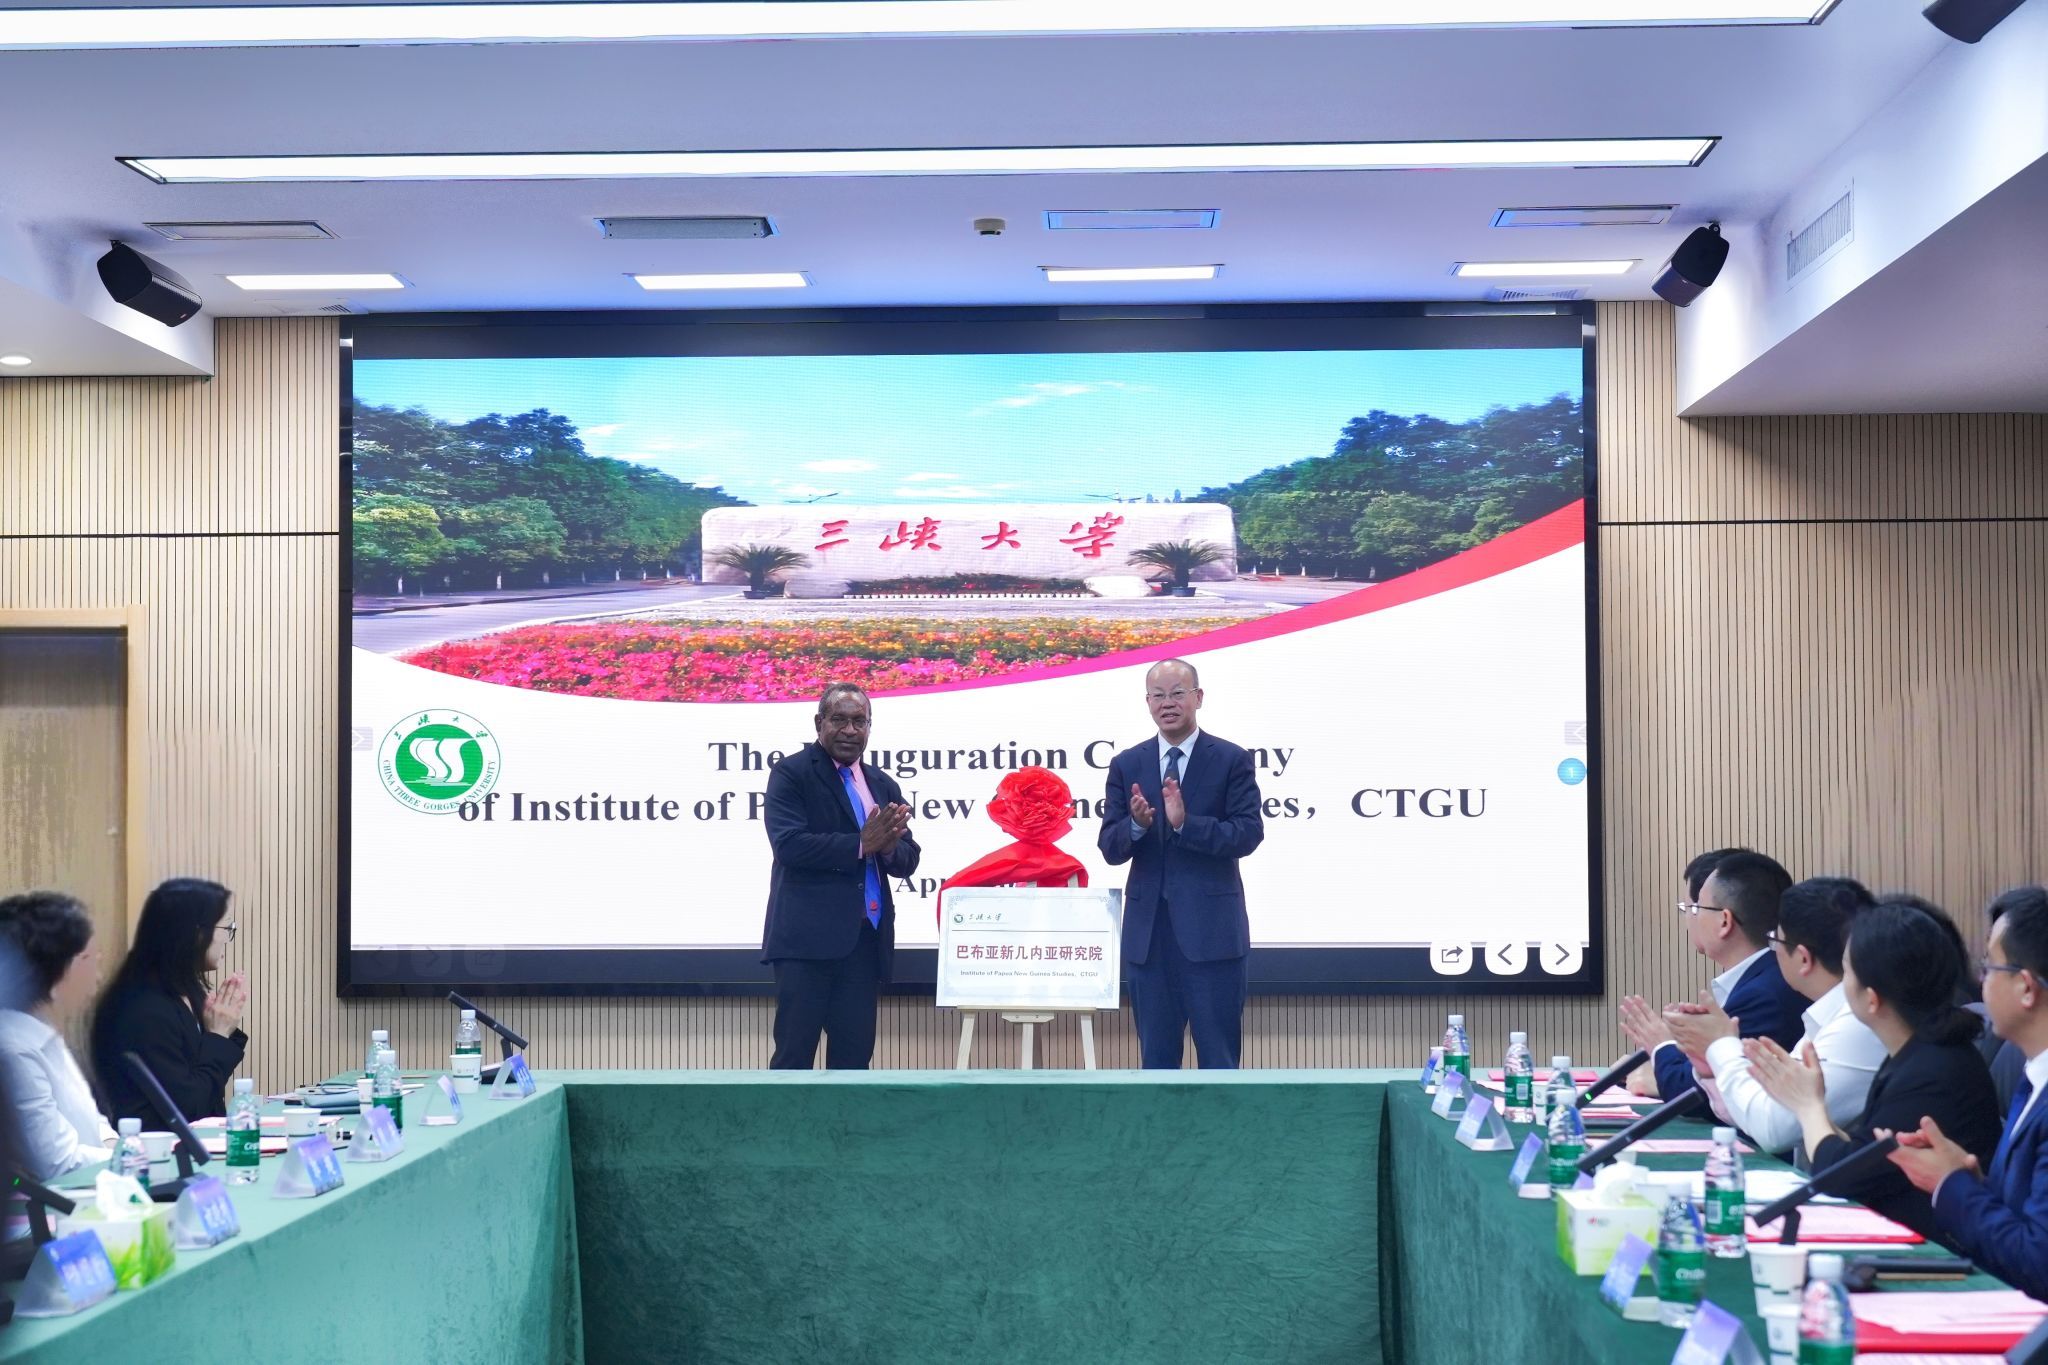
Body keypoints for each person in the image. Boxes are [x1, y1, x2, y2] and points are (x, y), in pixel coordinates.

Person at [1747, 900, 2002, 1242]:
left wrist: (1808, 1107)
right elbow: (1863, 1156)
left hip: (1937, 1256)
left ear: (1871, 998)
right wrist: (1808, 1104)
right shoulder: (1916, 1052)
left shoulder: (1934, 1071)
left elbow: (1839, 1176)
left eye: (1847, 972)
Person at [1098, 659, 1265, 1069]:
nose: (1167, 703)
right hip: (1149, 941)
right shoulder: (1127, 764)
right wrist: (1136, 826)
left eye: (1177, 693)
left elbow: (1247, 834)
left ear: (1198, 697)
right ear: (1148, 703)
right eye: (1158, 695)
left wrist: (1186, 824)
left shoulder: (1230, 759)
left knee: (1219, 1062)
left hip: (1213, 938)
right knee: (1156, 1064)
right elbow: (1110, 847)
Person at [1884, 886, 2048, 1299]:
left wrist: (1951, 1185)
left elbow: (2039, 1263)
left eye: (1990, 966)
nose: (1980, 979)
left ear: (2026, 988)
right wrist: (1973, 1182)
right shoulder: (2034, 1077)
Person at [760, 683, 919, 1070]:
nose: (850, 730)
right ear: (819, 723)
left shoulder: (881, 783)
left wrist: (887, 848)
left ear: (869, 727)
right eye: (839, 720)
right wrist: (861, 844)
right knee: (794, 1059)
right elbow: (789, 845)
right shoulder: (792, 773)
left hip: (864, 944)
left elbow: (908, 858)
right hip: (806, 946)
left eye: (859, 722)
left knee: (853, 1064)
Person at [1675, 877, 1887, 1159]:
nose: (1772, 954)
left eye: (1775, 941)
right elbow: (1763, 1107)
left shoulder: (1857, 1024)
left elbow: (1773, 1128)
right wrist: (1712, 1065)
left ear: (1803, 958)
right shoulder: (1828, 1012)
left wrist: (1721, 1045)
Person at [1619, 851, 1806, 1101]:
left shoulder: (1763, 997)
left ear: (1725, 921)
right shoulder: (1761, 978)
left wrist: (1661, 1046)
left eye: (1696, 907)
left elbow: (1711, 1093)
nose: (1691, 917)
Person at [91, 877, 248, 1123]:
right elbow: (187, 1109)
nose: (228, 939)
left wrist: (219, 1027)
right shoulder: (144, 1008)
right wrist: (217, 1036)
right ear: (196, 933)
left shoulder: (183, 990)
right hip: (158, 1143)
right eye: (226, 929)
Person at [0, 892, 116, 1181]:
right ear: (57, 968)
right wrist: (133, 1158)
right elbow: (57, 1163)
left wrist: (120, 1148)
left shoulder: (43, 1033)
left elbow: (93, 1123)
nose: (98, 976)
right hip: (55, 1202)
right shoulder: (14, 1049)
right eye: (91, 959)